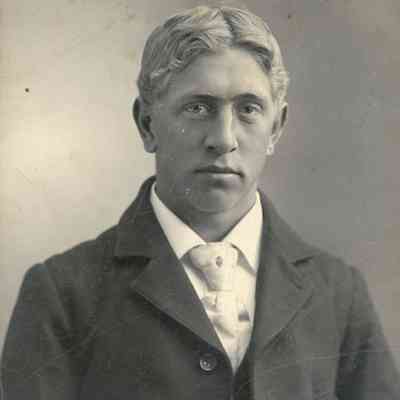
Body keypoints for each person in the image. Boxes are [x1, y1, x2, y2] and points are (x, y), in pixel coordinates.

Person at [1, 5, 399, 400]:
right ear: (147, 124)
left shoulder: (338, 293)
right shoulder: (62, 295)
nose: (223, 139)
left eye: (248, 109)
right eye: (197, 108)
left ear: (276, 128)